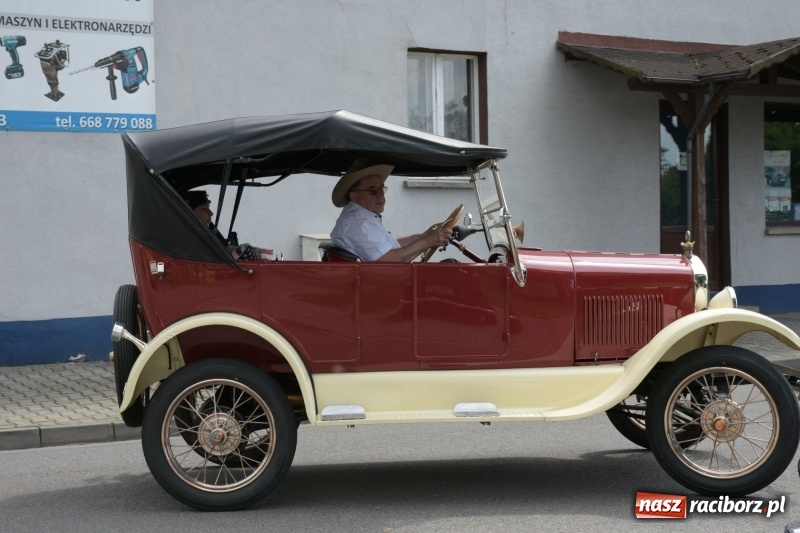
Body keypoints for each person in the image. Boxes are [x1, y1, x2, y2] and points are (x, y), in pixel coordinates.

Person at [330, 158, 452, 261]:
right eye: (373, 190)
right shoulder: (359, 222)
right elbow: (387, 260)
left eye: (381, 188)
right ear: (354, 196)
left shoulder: (363, 216)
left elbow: (390, 246)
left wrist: (426, 235)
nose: (380, 195)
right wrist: (428, 241)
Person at [181, 190, 271, 261]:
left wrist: (260, 252)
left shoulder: (207, 230)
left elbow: (225, 248)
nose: (211, 213)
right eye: (204, 209)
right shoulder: (190, 237)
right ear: (190, 212)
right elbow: (224, 251)